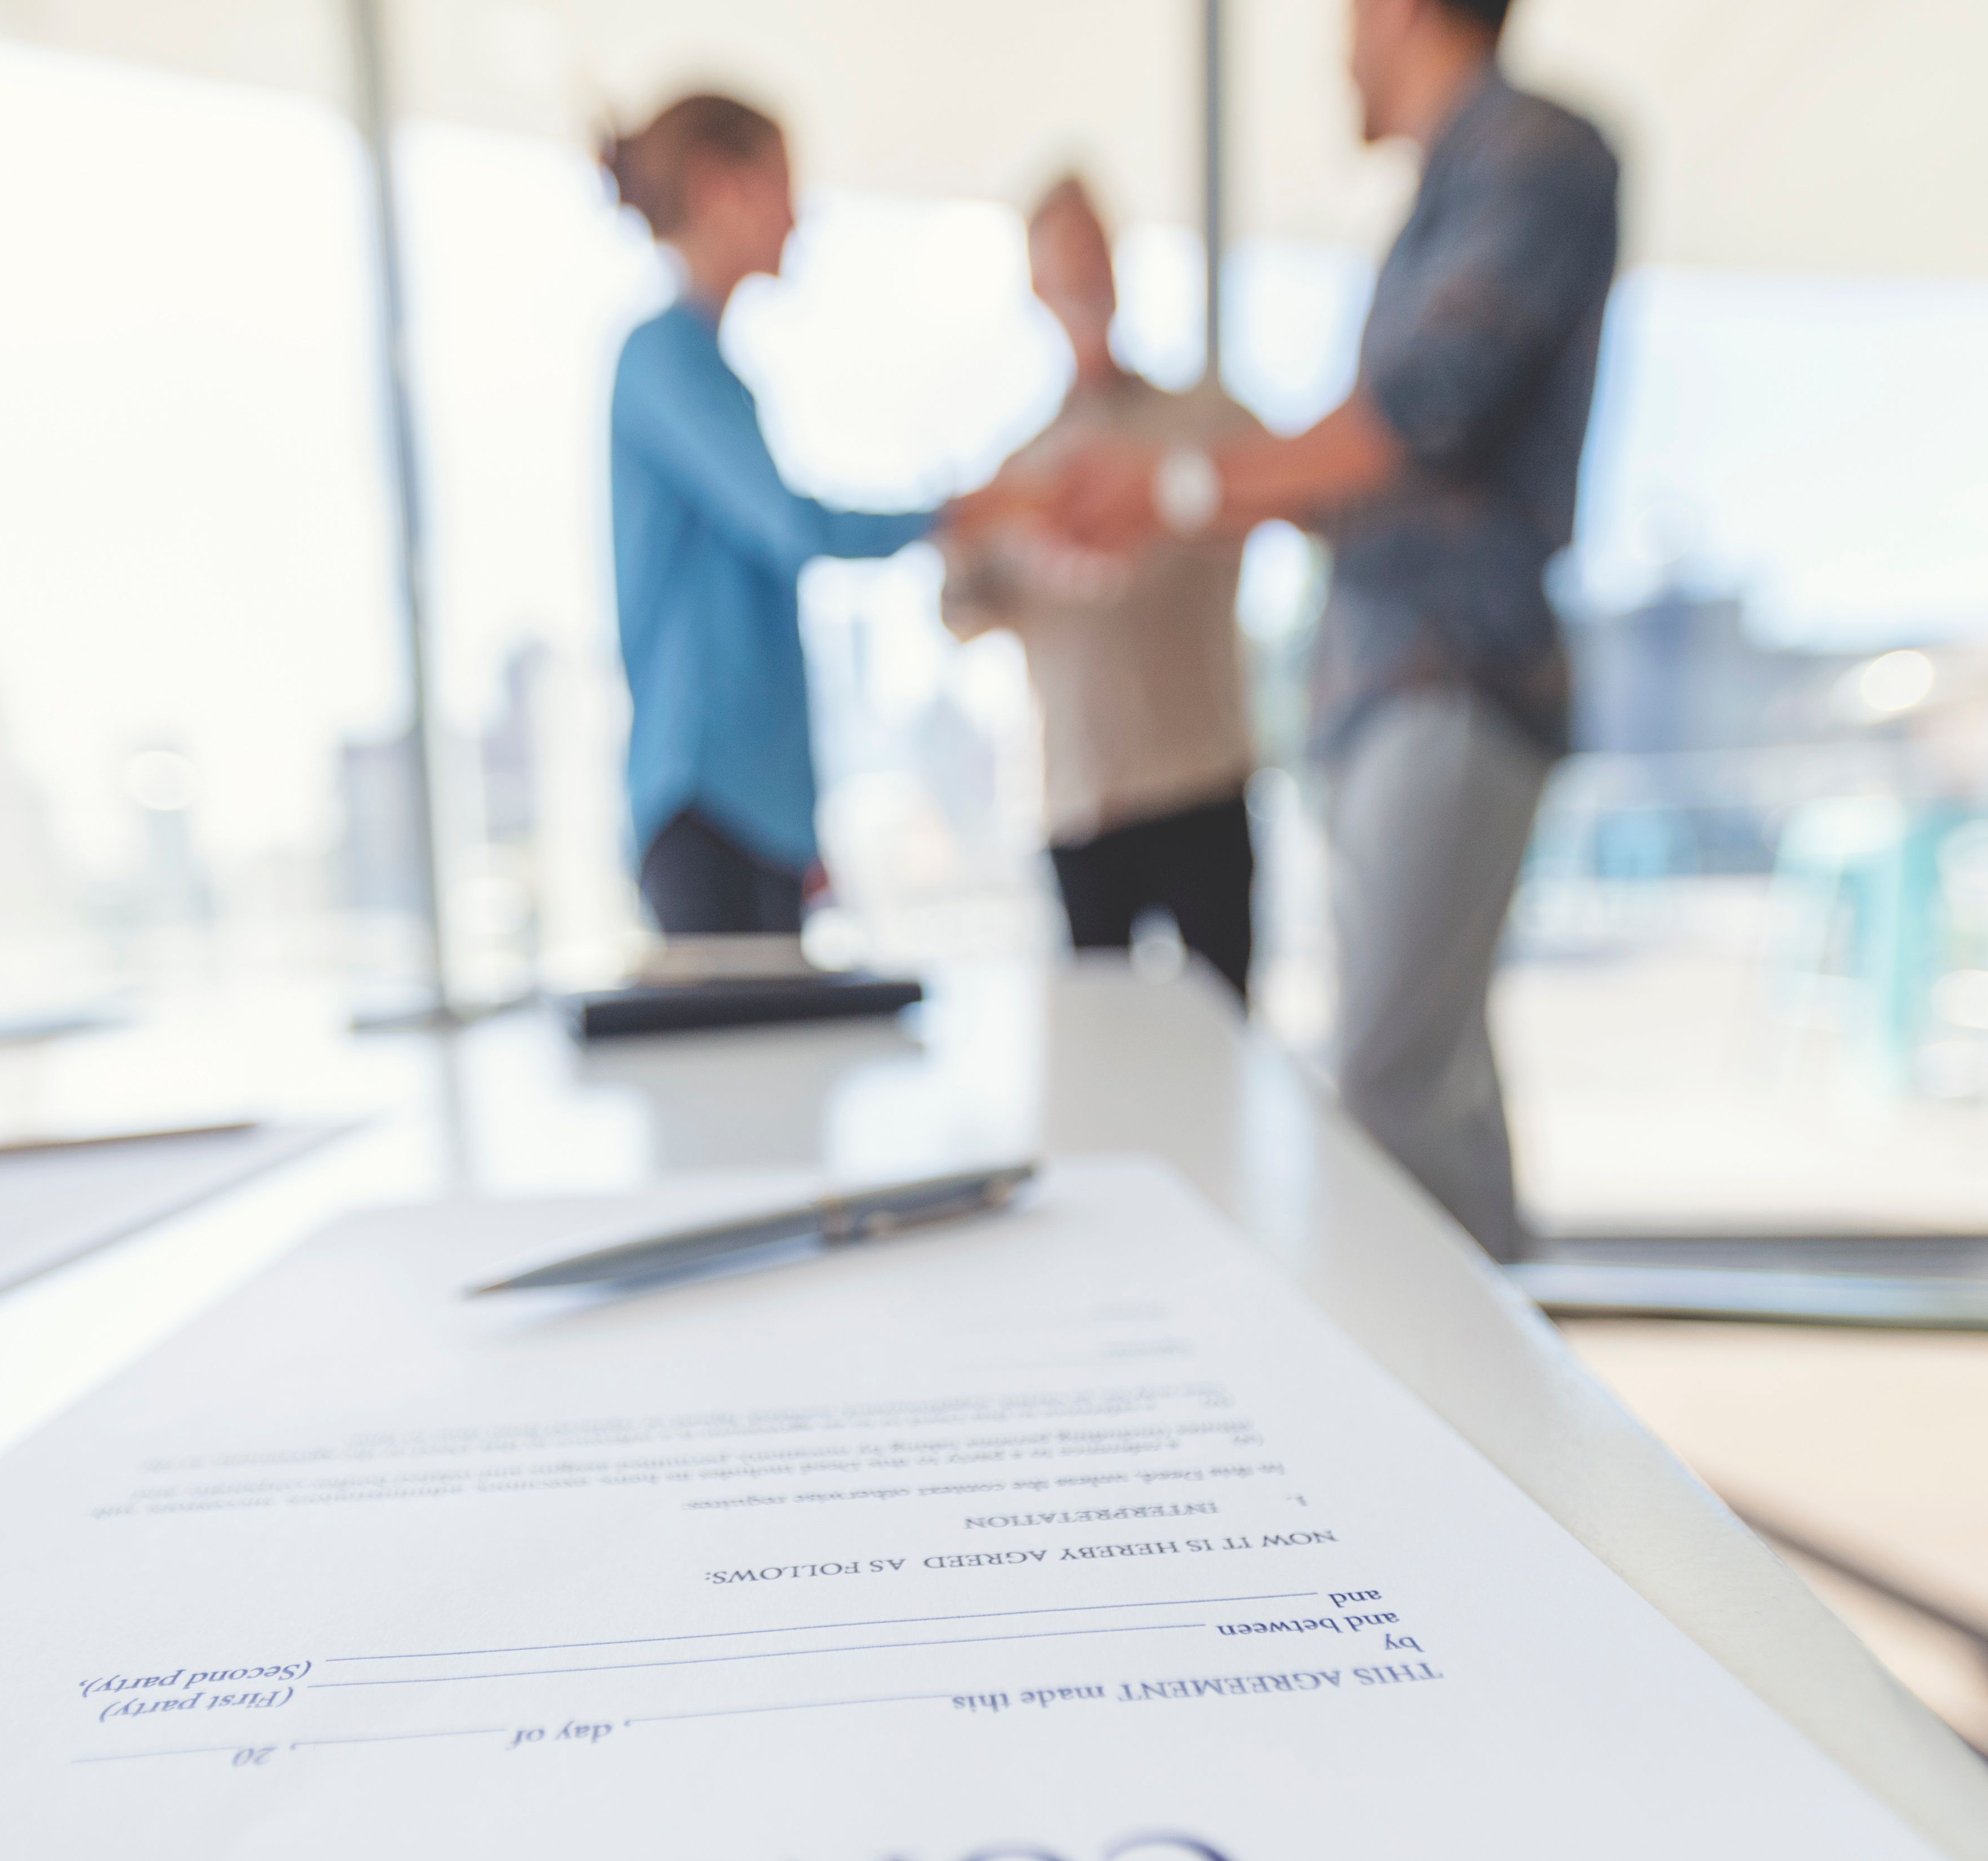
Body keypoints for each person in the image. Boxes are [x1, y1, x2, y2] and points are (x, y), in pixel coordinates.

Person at [1039, 0, 1616, 1260]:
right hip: (1381, 697)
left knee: (1392, 1096)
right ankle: (1506, 1368)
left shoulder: (1534, 156)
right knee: (1438, 1088)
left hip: (1445, 677)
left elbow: (1413, 416)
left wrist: (1173, 486)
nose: (1340, 47)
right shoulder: (1448, 194)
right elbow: (1353, 471)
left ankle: (1455, 1381)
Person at [602, 94, 1002, 938]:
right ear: (717, 187)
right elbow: (799, 529)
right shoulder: (661, 357)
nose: (797, 217)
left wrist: (799, 823)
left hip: (759, 817)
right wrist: (959, 512)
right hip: (703, 804)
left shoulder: (714, 372)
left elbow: (766, 633)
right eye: (781, 186)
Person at [941, 178, 1262, 1000]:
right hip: (1082, 808)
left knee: (1226, 1040)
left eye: (1094, 252)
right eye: (1063, 260)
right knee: (1097, 1051)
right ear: (1036, 285)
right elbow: (959, 613)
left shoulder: (1203, 422)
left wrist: (1159, 498)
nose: (1083, 276)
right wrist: (978, 523)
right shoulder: (1017, 470)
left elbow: (1279, 494)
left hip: (1201, 785)